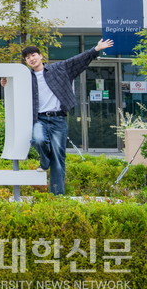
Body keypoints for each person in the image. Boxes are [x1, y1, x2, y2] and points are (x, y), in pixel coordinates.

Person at [22, 38, 114, 196]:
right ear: (26, 61)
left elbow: (77, 60)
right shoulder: (26, 77)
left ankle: (57, 196)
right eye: (28, 57)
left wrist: (95, 50)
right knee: (37, 140)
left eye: (33, 55)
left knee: (58, 159)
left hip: (58, 119)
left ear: (41, 56)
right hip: (39, 119)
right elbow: (13, 84)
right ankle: (45, 161)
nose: (31, 59)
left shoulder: (58, 69)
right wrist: (5, 82)